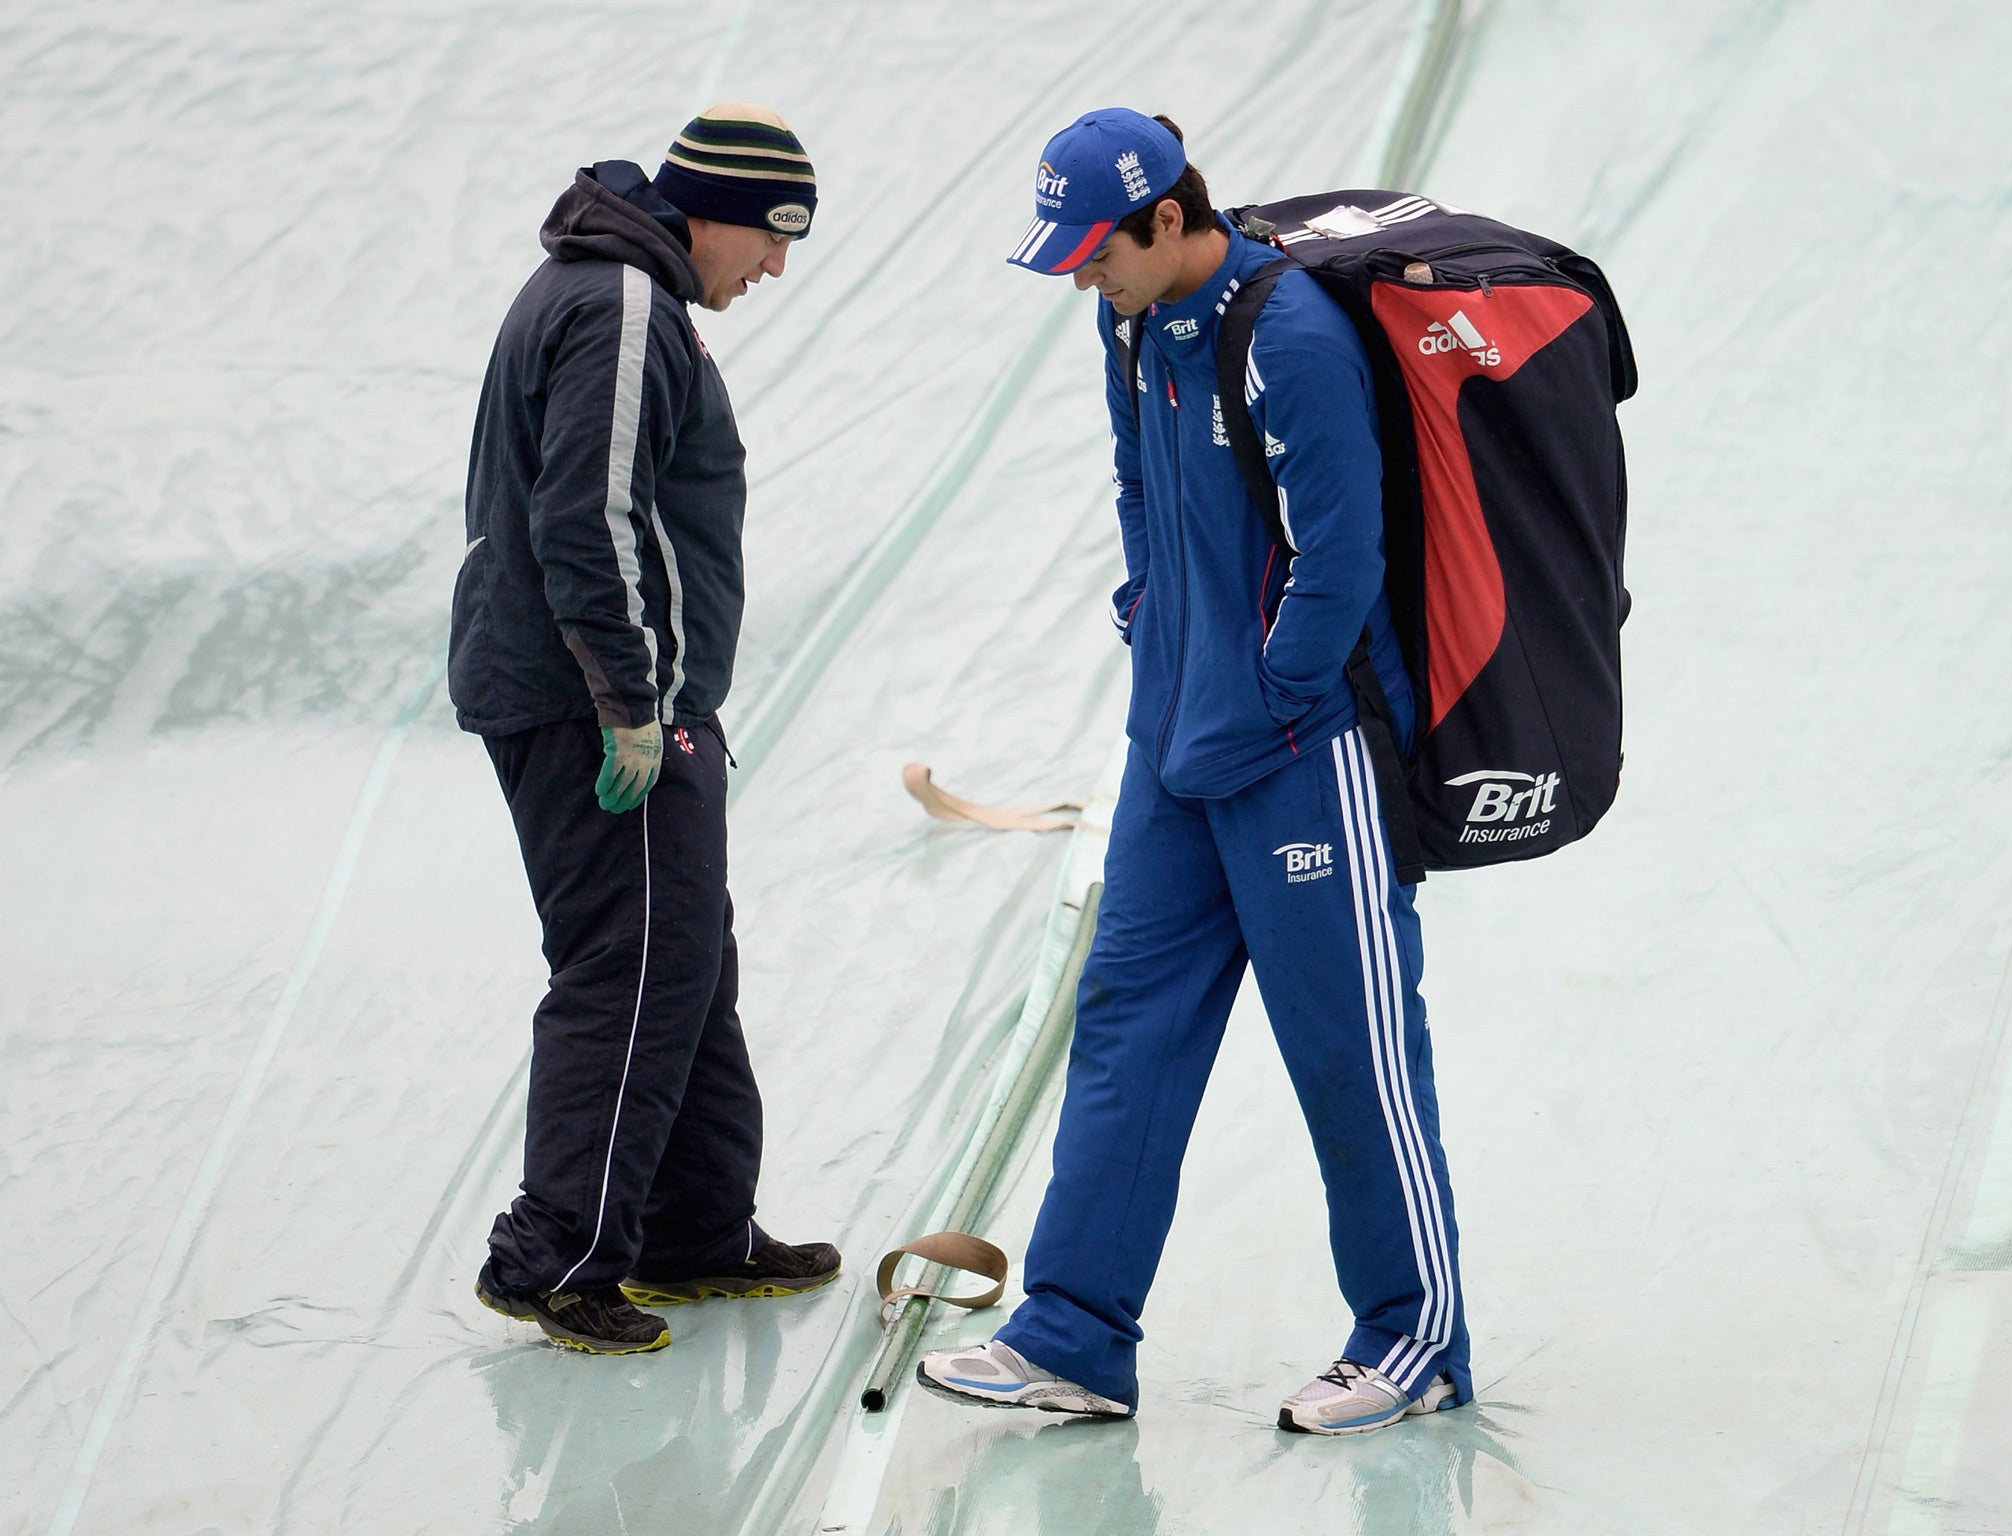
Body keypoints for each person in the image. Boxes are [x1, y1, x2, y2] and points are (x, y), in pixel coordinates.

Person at [919, 109, 1472, 1432]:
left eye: (1093, 249)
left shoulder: (1288, 340)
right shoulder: (1129, 323)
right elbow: (1134, 483)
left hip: (1301, 755)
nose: (1076, 275)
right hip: (1172, 744)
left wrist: (1275, 690)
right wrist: (1153, 610)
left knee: (1350, 1050)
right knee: (1126, 1023)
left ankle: (1416, 1341)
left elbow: (1346, 555)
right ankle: (1073, 1335)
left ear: (1170, 220)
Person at [448, 103, 840, 1355]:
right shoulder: (620, 307)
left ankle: (692, 1228)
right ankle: (552, 1258)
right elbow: (589, 518)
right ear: (713, 210)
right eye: (774, 238)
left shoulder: (620, 296)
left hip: (623, 703)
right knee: (629, 974)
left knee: (681, 961)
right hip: (597, 713)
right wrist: (631, 703)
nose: (774, 268)